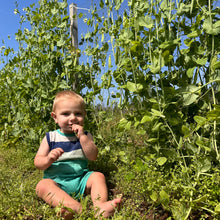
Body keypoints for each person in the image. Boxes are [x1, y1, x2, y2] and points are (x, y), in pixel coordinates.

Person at [34, 90, 121, 219]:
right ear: (55, 117)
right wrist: (48, 159)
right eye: (65, 114)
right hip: (57, 182)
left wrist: (82, 137)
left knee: (97, 176)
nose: (73, 118)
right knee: (42, 186)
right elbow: (38, 163)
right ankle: (74, 207)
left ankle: (100, 206)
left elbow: (93, 156)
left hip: (81, 180)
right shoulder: (50, 137)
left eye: (78, 113)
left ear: (84, 115)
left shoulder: (85, 135)